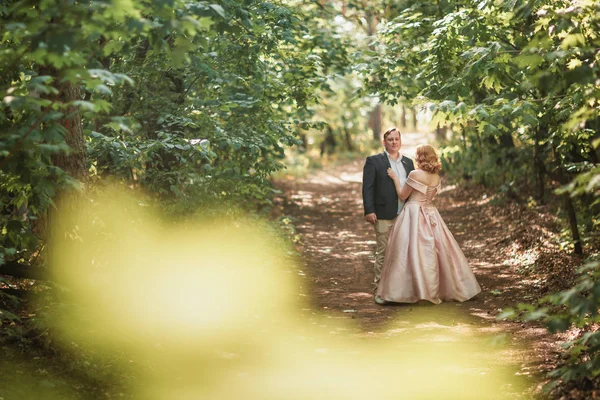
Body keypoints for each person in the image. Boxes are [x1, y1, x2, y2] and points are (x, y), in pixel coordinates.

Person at [376, 144, 481, 304]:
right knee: (436, 251)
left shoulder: (415, 174)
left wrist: (395, 178)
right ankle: (442, 289)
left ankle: (405, 292)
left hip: (413, 213)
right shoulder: (436, 177)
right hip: (431, 213)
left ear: (420, 157)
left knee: (408, 251)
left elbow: (403, 196)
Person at [362, 127, 414, 305]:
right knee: (383, 253)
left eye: (396, 139)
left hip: (405, 214)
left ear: (400, 141)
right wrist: (369, 210)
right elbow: (367, 187)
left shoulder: (408, 163)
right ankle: (379, 291)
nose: (393, 142)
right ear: (384, 142)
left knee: (402, 253)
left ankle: (398, 292)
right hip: (384, 214)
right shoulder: (374, 161)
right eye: (390, 139)